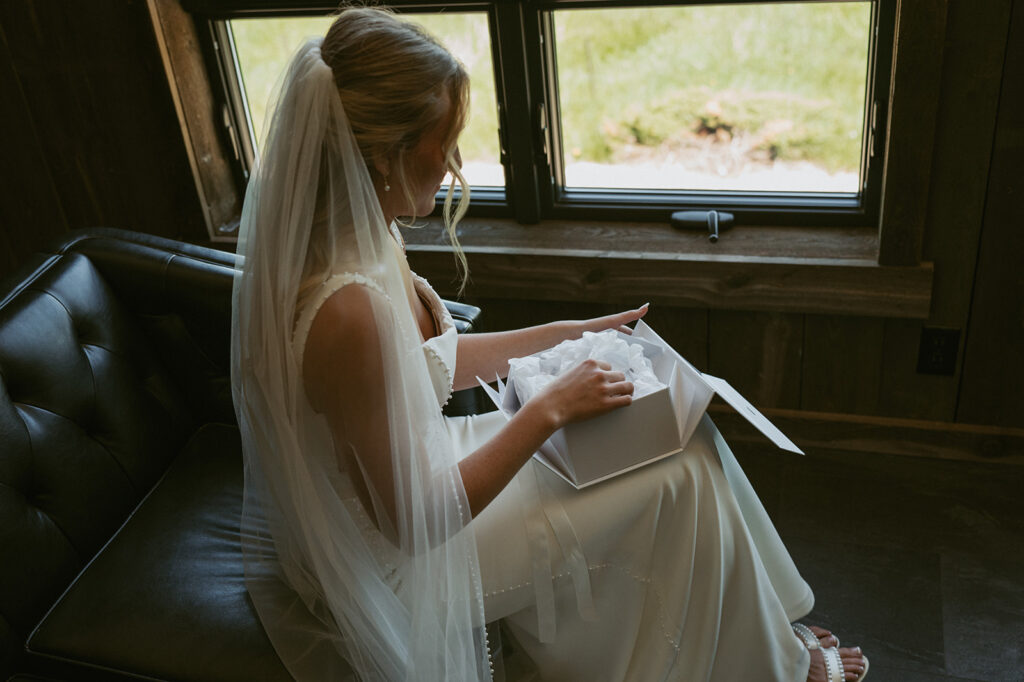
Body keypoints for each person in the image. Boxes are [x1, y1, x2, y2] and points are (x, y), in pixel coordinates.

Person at [230, 6, 869, 681]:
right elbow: (410, 522)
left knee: (689, 440)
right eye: (441, 142)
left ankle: (759, 635)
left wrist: (569, 335)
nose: (452, 164)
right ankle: (772, 665)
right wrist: (548, 410)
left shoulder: (368, 228)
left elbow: (427, 367)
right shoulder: (344, 310)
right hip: (405, 557)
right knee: (676, 477)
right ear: (384, 152)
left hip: (425, 472)